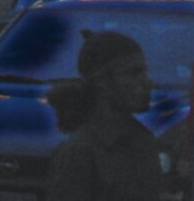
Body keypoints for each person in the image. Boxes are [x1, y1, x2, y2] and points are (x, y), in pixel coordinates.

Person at [46, 29, 164, 201]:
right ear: (102, 82)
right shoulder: (79, 152)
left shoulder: (143, 142)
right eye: (133, 73)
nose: (147, 82)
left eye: (143, 72)